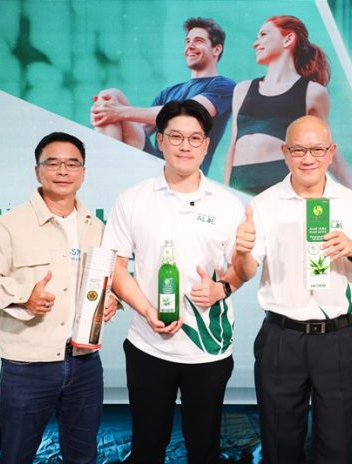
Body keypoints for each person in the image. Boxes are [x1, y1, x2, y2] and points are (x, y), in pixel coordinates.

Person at [233, 115, 352, 463]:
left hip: (336, 340)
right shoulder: (264, 204)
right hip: (281, 338)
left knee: (336, 448)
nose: (308, 158)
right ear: (285, 153)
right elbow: (246, 271)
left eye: (317, 149)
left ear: (331, 153)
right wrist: (241, 251)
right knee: (279, 447)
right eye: (298, 150)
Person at [101, 100, 245, 464]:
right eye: (176, 137)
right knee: (147, 447)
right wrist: (147, 310)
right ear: (161, 140)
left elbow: (242, 269)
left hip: (209, 349)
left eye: (195, 138)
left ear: (206, 145)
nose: (185, 146)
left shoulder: (227, 204)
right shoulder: (132, 200)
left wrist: (222, 287)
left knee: (204, 449)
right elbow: (116, 267)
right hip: (149, 346)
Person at [0, 132, 119, 463]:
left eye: (72, 164)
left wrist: (114, 300)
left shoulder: (98, 228)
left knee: (83, 457)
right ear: (37, 171)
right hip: (27, 366)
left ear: (83, 172)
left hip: (85, 362)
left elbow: (112, 279)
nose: (63, 171)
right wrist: (24, 297)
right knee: (16, 456)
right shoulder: (8, 226)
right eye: (53, 163)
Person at [223, 15, 352, 195]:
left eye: (263, 35)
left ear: (288, 39)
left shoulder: (312, 92)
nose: (255, 43)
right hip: (239, 184)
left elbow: (326, 147)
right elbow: (233, 146)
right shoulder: (242, 89)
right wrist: (225, 192)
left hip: (282, 187)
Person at [90, 17, 235, 175]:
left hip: (184, 174)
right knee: (109, 95)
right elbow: (140, 131)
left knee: (113, 107)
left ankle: (105, 175)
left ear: (216, 49)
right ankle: (105, 175)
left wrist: (117, 112)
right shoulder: (168, 92)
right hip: (154, 166)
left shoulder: (224, 86)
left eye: (198, 41)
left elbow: (186, 114)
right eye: (187, 41)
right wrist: (104, 113)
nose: (190, 46)